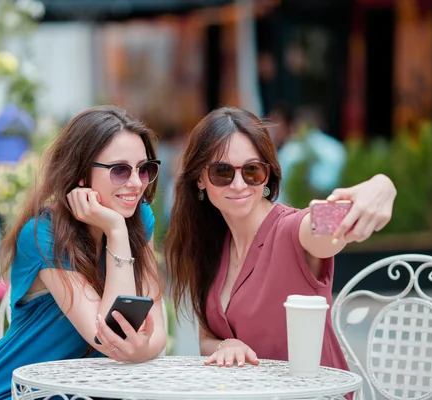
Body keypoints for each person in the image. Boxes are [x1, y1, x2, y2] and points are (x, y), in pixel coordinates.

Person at [0, 105, 167, 399]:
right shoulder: (43, 234)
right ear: (81, 174)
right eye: (119, 170)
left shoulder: (139, 219)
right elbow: (109, 337)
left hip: (78, 392)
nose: (135, 183)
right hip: (10, 392)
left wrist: (141, 349)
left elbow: (156, 326)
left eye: (144, 169)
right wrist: (115, 231)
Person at [165, 107, 396, 370]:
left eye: (252, 171)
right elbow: (207, 338)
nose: (239, 184)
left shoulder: (292, 229)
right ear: (200, 179)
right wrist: (226, 344)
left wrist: (381, 186)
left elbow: (329, 222)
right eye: (222, 172)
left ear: (268, 174)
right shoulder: (210, 244)